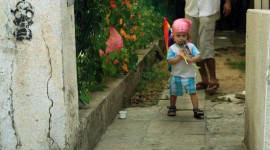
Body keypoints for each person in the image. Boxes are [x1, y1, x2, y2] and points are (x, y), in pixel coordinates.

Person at [185, 0, 232, 93]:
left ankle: (213, 80)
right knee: (192, 47)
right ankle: (204, 80)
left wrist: (227, 1)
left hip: (208, 8)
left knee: (205, 44)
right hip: (191, 8)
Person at [167, 18, 204, 119]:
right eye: (178, 36)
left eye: (184, 35)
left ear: (187, 36)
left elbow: (199, 55)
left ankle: (196, 109)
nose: (181, 38)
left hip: (189, 75)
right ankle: (172, 107)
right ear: (173, 37)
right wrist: (179, 57)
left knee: (193, 92)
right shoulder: (172, 48)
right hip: (176, 75)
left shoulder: (190, 46)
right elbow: (170, 61)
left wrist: (192, 59)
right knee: (173, 93)